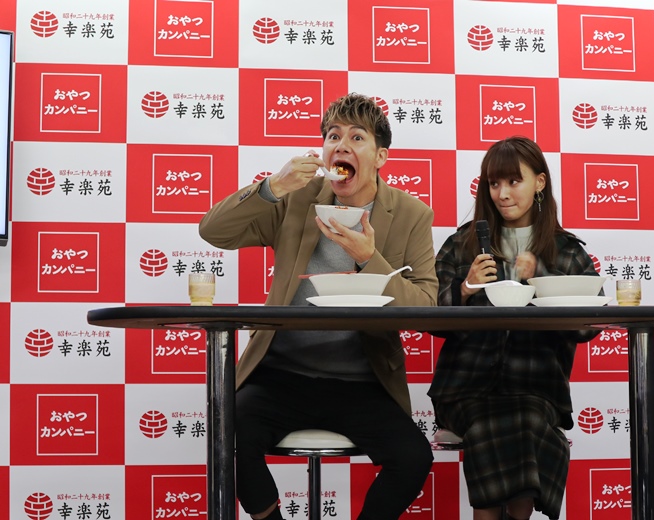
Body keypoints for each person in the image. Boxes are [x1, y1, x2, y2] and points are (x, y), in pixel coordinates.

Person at [199, 93, 437, 520]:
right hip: (279, 376)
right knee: (227, 434)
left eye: (357, 138)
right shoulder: (296, 198)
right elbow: (214, 232)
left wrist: (369, 258)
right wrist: (272, 187)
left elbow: (425, 306)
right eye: (333, 136)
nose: (341, 145)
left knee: (413, 458)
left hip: (362, 382)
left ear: (381, 156)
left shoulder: (411, 214)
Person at [427, 136, 601, 520]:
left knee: (525, 416)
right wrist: (465, 288)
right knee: (509, 422)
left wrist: (543, 278)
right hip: (464, 389)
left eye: (513, 181)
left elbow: (589, 325)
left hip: (538, 387)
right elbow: (431, 318)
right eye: (494, 183)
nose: (502, 194)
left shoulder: (566, 250)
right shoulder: (462, 243)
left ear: (539, 182)